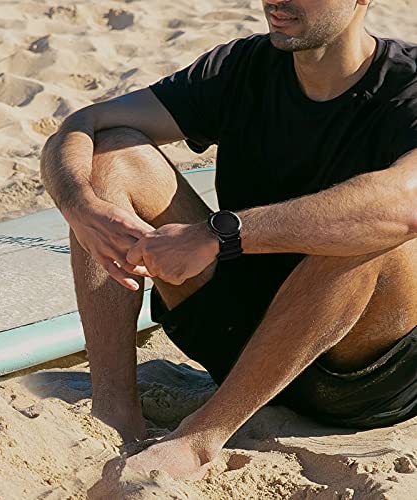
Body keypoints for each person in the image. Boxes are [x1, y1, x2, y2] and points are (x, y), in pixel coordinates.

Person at [40, 0, 417, 480]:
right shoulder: (240, 67)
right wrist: (78, 204)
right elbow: (84, 125)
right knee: (110, 154)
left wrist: (220, 235)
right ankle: (115, 409)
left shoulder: (407, 84)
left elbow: (405, 205)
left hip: (358, 380)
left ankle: (199, 440)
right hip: (236, 340)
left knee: (373, 232)